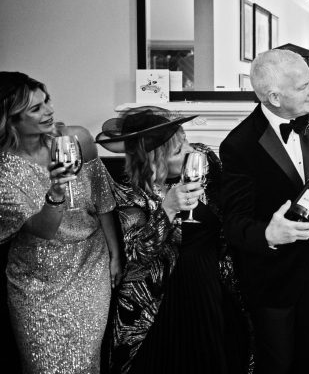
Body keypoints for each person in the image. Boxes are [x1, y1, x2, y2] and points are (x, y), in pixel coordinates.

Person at [220, 49, 309, 373]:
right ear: (275, 96)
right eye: (304, 86)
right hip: (272, 277)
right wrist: (270, 233)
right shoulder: (238, 145)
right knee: (276, 365)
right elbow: (234, 223)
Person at [96, 106, 250, 374]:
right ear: (154, 162)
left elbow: (236, 205)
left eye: (187, 141)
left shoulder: (204, 162)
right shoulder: (129, 193)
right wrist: (166, 209)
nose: (191, 150)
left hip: (212, 282)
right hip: (162, 296)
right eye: (179, 151)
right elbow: (138, 256)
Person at [0, 71, 121, 373]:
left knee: (85, 362)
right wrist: (55, 191)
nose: (49, 111)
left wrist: (115, 253)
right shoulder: (3, 172)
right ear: (11, 119)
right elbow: (42, 229)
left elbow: (103, 199)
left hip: (89, 267)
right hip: (35, 281)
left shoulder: (76, 138)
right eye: (35, 108)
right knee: (44, 365)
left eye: (46, 102)